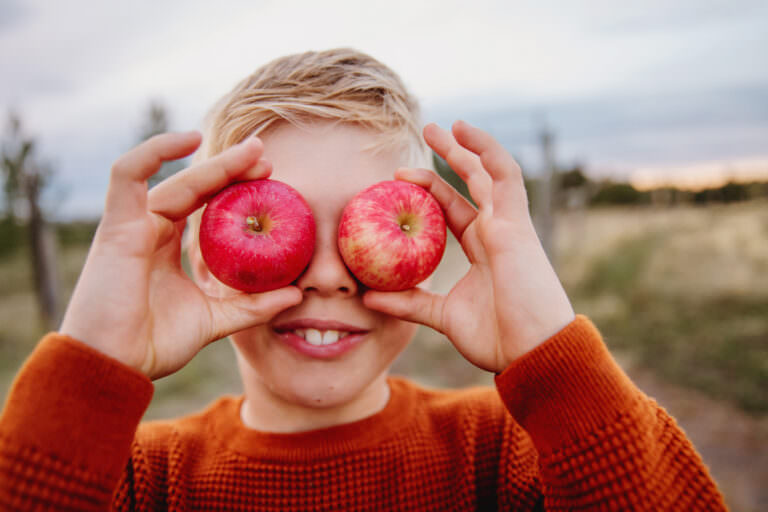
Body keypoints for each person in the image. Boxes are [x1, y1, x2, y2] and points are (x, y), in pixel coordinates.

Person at [0, 48, 727, 511]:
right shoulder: (130, 482)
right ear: (200, 258)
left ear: (435, 244)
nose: (325, 277)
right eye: (284, 230)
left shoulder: (507, 460)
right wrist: (92, 359)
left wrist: (550, 352)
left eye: (359, 230)